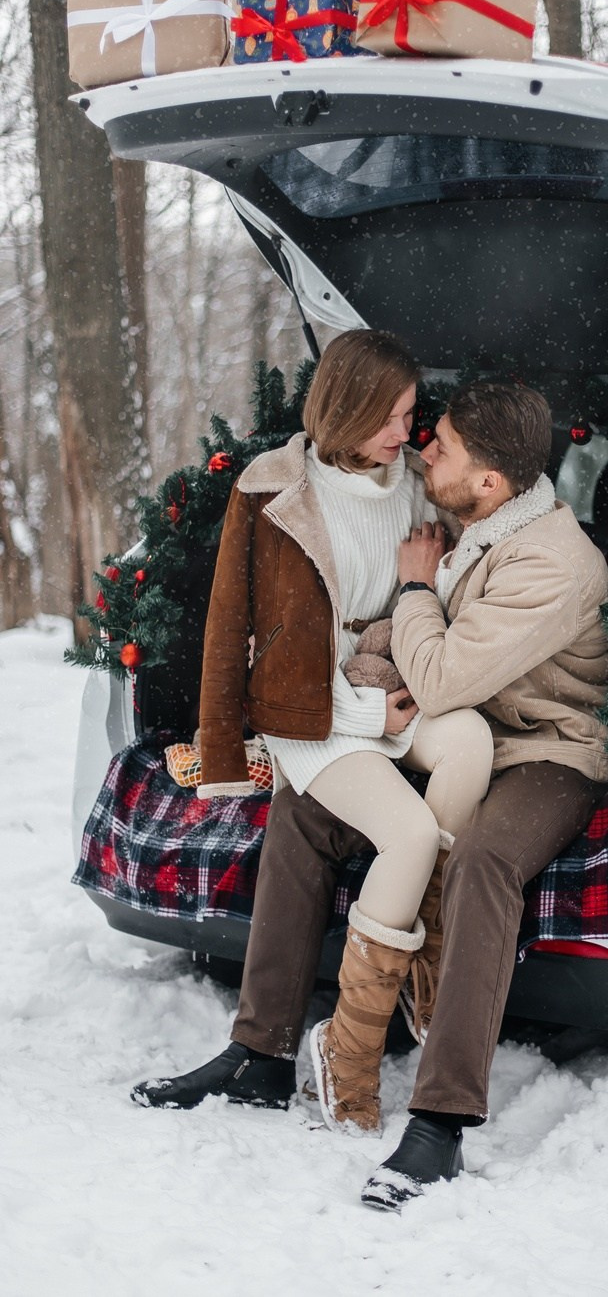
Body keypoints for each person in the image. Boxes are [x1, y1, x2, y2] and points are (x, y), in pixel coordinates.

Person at [131, 329, 494, 1133]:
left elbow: (461, 570)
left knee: (470, 742)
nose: (406, 431)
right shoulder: (273, 491)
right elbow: (231, 628)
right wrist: (238, 747)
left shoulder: (413, 486)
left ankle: (421, 950)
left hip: (394, 682)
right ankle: (346, 1048)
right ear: (347, 408)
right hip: (317, 720)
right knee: (407, 833)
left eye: (410, 413)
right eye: (390, 416)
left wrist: (424, 615)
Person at [352, 380, 608, 1209]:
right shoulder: (475, 513)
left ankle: (440, 1122)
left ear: (491, 482)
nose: (422, 449)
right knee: (313, 807)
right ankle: (258, 1048)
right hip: (458, 736)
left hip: (543, 751)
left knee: (484, 863)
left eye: (442, 445)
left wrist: (416, 588)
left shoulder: (553, 562)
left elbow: (438, 677)